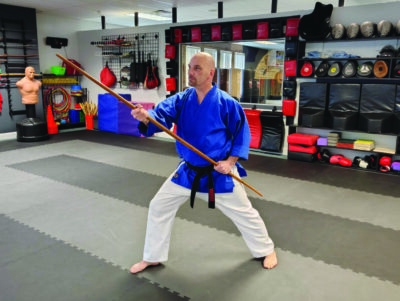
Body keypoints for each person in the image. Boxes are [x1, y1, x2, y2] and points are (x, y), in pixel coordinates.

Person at [130, 52, 277, 274]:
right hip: (188, 171)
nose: (191, 72)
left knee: (244, 213)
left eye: (197, 68)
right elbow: (160, 116)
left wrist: (229, 162)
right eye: (190, 67)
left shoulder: (227, 103)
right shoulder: (181, 99)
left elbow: (240, 136)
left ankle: (266, 249)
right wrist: (146, 117)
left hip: (218, 172)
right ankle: (153, 257)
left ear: (211, 72)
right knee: (158, 206)